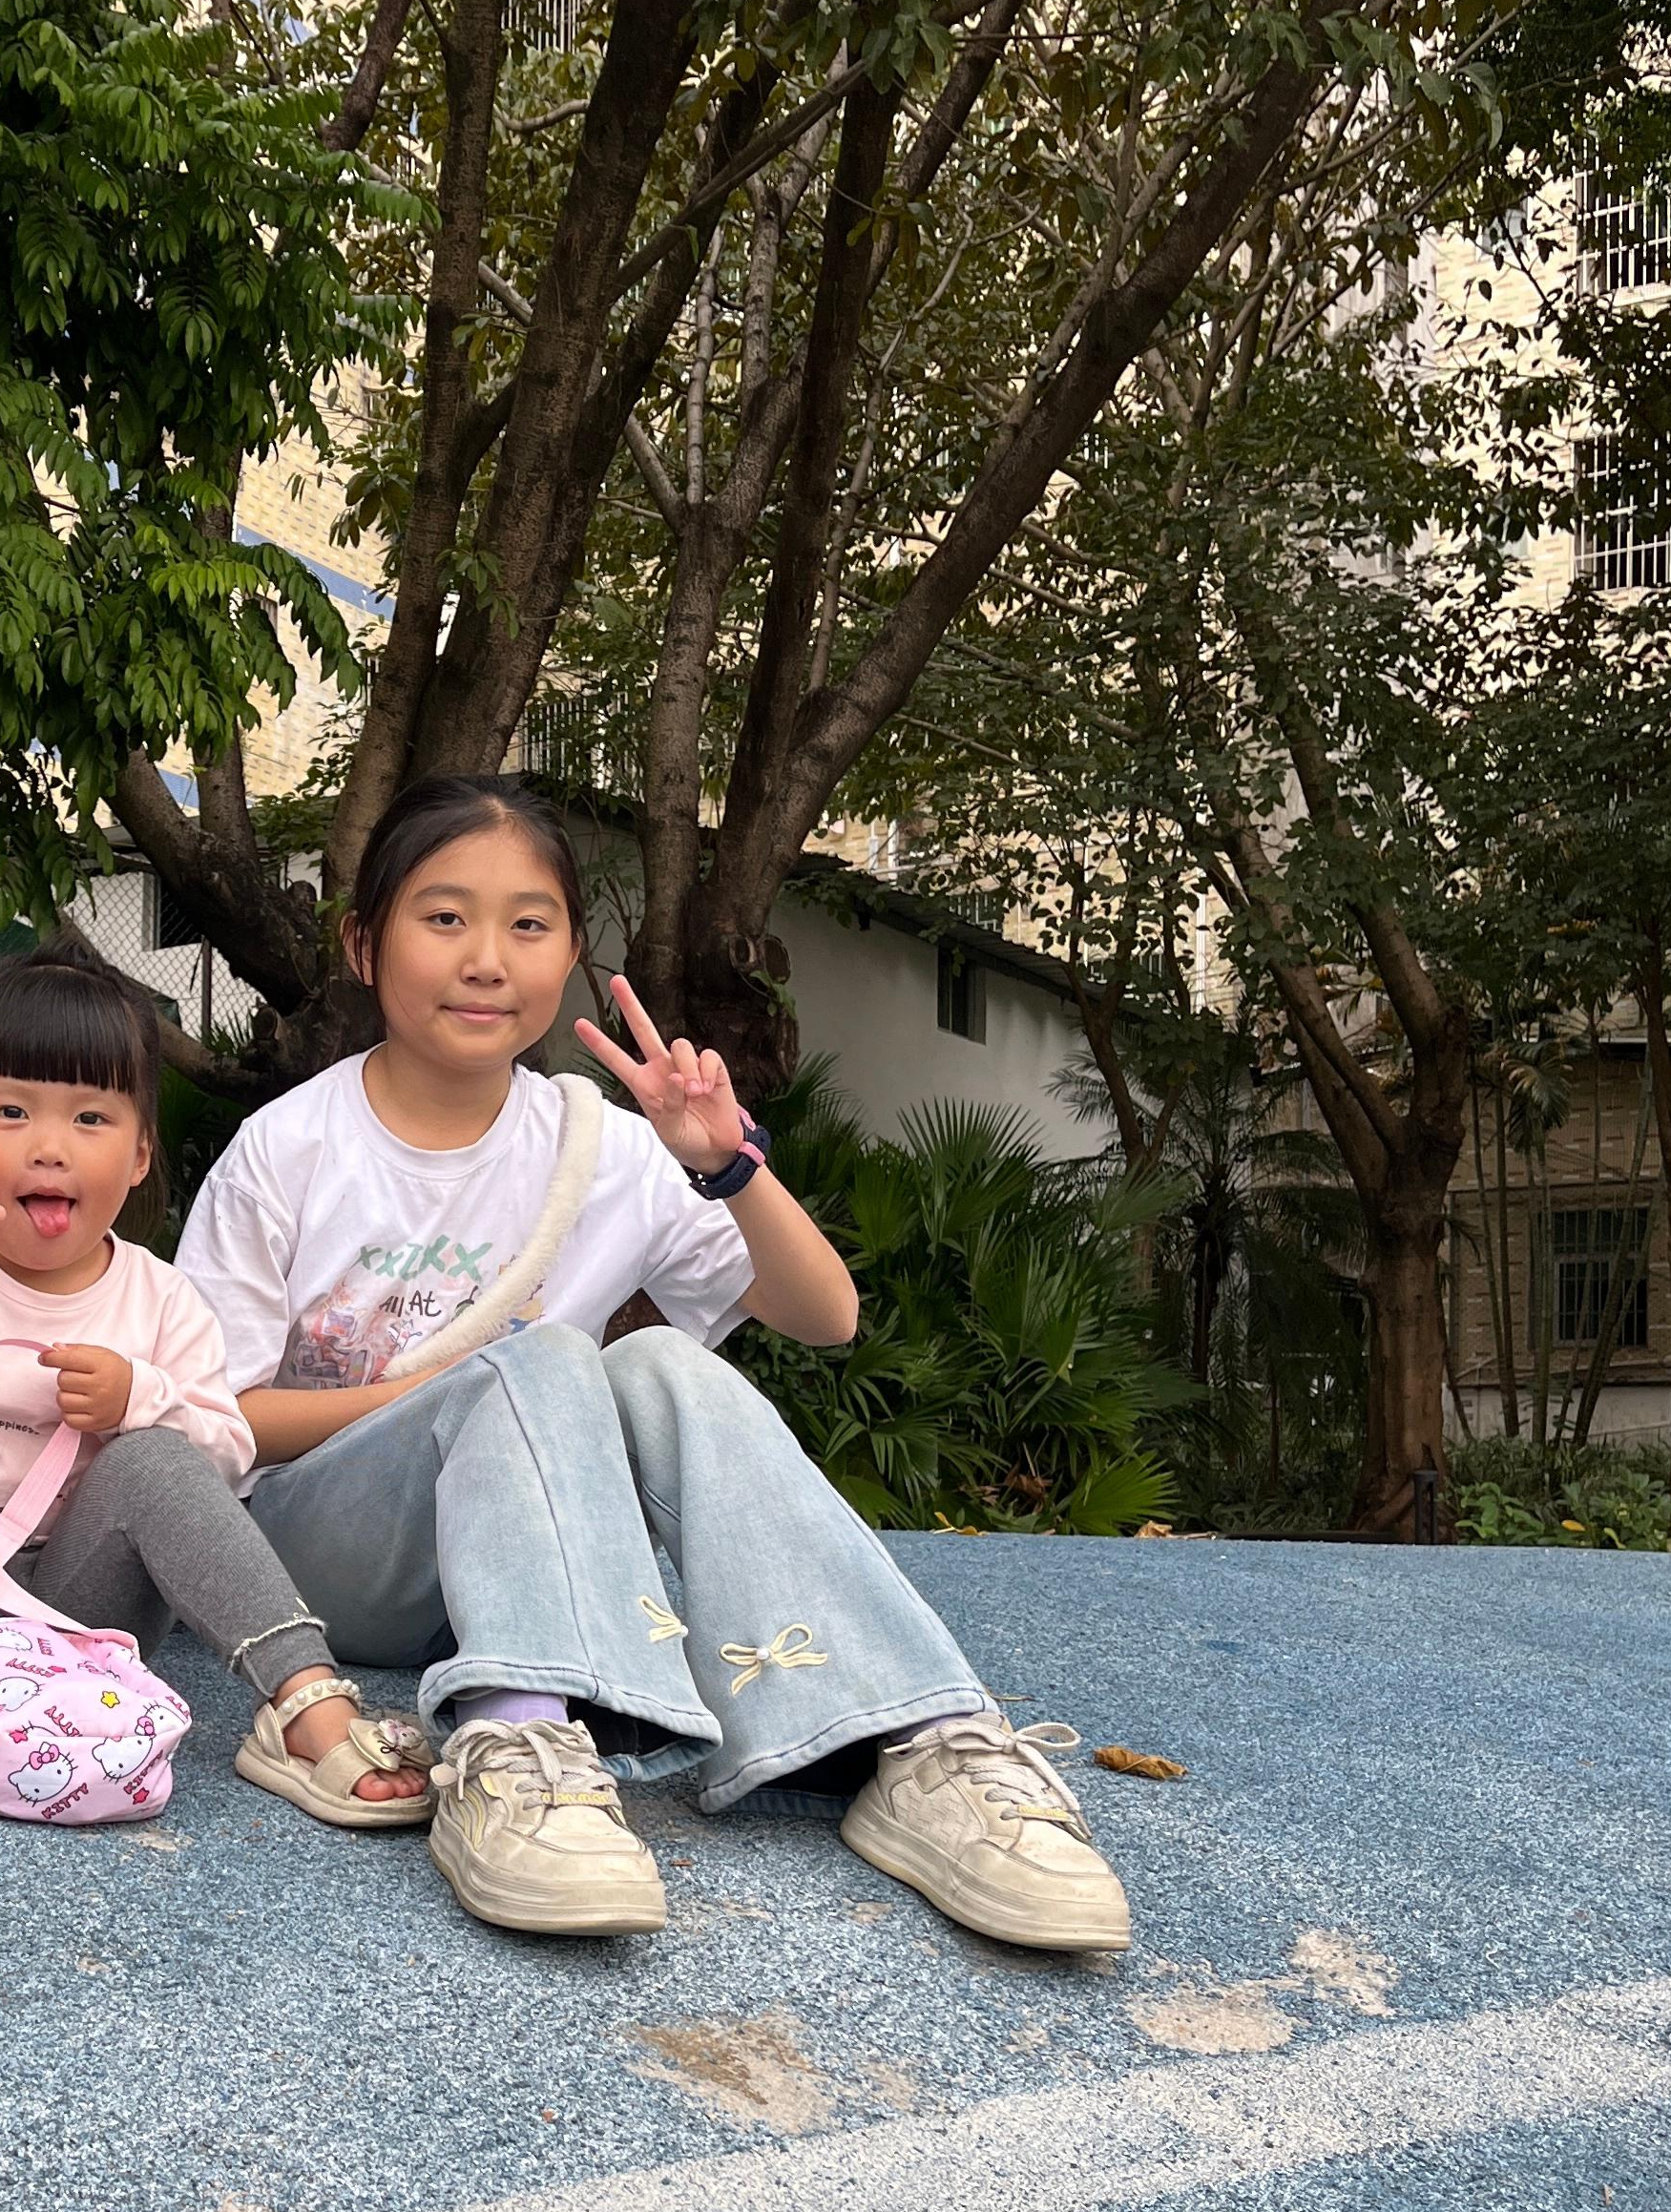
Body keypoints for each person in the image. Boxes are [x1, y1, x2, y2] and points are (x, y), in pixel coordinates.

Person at [173, 777, 1131, 1951]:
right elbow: (216, 1422)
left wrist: (728, 1166)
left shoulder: (607, 1149)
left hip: (525, 1562)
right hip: (328, 1559)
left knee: (665, 1362)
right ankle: (516, 1742)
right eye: (444, 918)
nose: (487, 960)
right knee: (540, 1360)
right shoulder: (288, 1149)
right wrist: (451, 1390)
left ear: (571, 952)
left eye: (529, 925)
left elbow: (825, 1316)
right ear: (366, 946)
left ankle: (917, 1741)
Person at [0, 943, 431, 1829]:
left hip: (82, 1615)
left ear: (139, 1155)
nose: (51, 1148)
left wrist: (141, 1401)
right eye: (10, 1111)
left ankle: (304, 1704)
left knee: (156, 1460)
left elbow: (227, 1455)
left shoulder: (161, 1298)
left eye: (91, 1118)